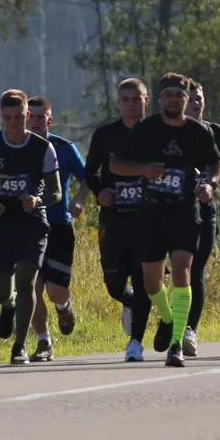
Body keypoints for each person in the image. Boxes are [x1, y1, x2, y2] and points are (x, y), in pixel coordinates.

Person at [111, 72, 220, 368]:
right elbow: (116, 163)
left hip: (184, 211)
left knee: (183, 270)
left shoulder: (198, 131)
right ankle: (171, 317)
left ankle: (177, 344)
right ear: (160, 100)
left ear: (187, 101)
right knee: (152, 283)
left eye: (180, 96)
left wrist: (210, 183)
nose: (174, 100)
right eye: (169, 95)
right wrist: (144, 169)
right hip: (151, 212)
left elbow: (216, 161)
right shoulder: (146, 129)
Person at [0, 89, 61, 365]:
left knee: (27, 281)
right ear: (1, 117)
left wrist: (37, 200)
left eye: (19, 117)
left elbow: (56, 193)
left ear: (27, 115)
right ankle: (8, 305)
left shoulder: (42, 148)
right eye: (7, 118)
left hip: (32, 224)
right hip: (2, 225)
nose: (14, 123)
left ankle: (19, 346)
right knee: (1, 291)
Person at [85, 78, 155, 362]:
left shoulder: (156, 133)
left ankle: (135, 342)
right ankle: (134, 305)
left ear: (146, 101)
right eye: (126, 99)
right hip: (114, 220)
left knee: (143, 280)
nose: (131, 104)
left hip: (146, 220)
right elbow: (90, 172)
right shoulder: (105, 135)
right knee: (114, 284)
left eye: (136, 99)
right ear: (119, 103)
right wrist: (100, 191)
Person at [24, 96, 85, 362]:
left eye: (41, 116)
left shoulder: (64, 148)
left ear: (50, 119)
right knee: (32, 288)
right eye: (31, 116)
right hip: (28, 227)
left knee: (55, 290)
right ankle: (44, 341)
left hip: (59, 227)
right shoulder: (17, 147)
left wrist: (79, 200)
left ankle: (64, 306)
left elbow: (88, 178)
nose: (35, 121)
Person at [180, 78, 220, 357]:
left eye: (199, 98)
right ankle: (166, 316)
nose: (195, 103)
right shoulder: (167, 132)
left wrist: (211, 184)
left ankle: (189, 330)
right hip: (170, 209)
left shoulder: (214, 131)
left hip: (203, 209)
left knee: (196, 269)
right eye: (191, 98)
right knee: (166, 270)